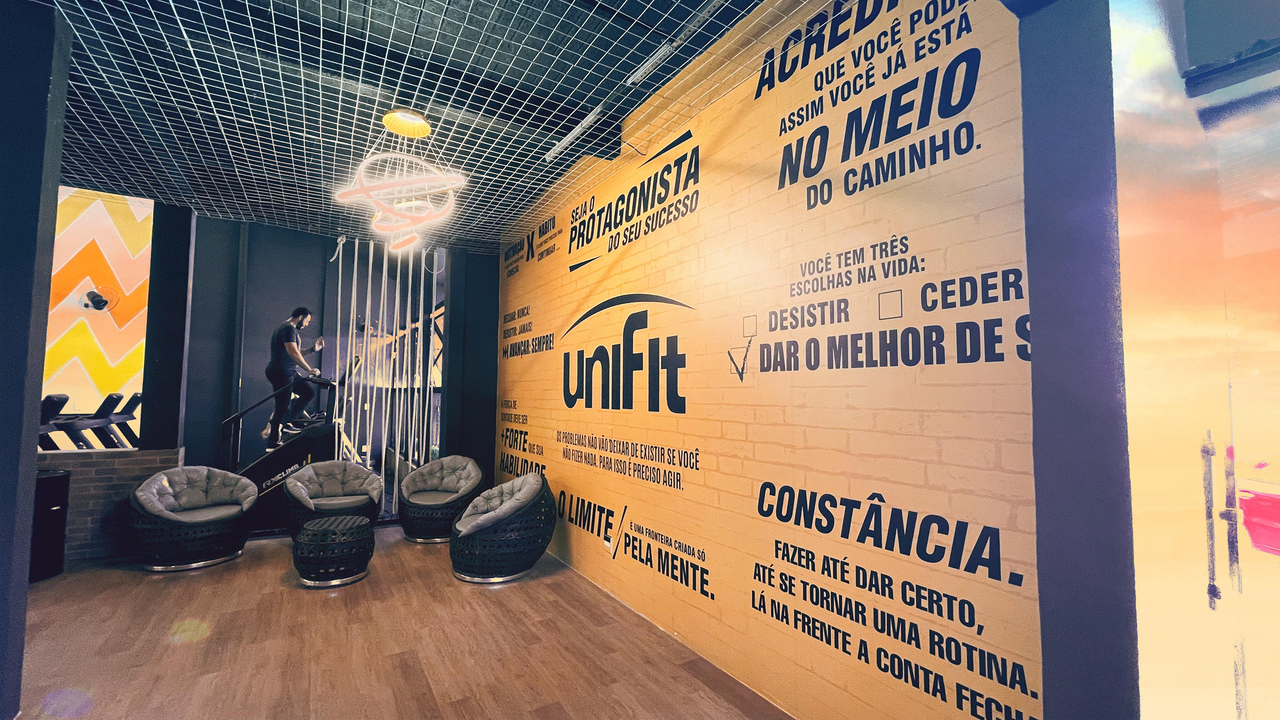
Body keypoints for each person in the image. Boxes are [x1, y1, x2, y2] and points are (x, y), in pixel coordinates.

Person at [263, 307, 324, 449]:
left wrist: (312, 350)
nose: (307, 324)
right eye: (307, 321)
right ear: (301, 317)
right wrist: (309, 369)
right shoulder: (288, 328)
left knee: (308, 392)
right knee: (282, 406)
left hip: (287, 372)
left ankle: (287, 423)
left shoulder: (287, 328)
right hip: (282, 372)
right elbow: (293, 352)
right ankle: (274, 440)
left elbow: (296, 351)